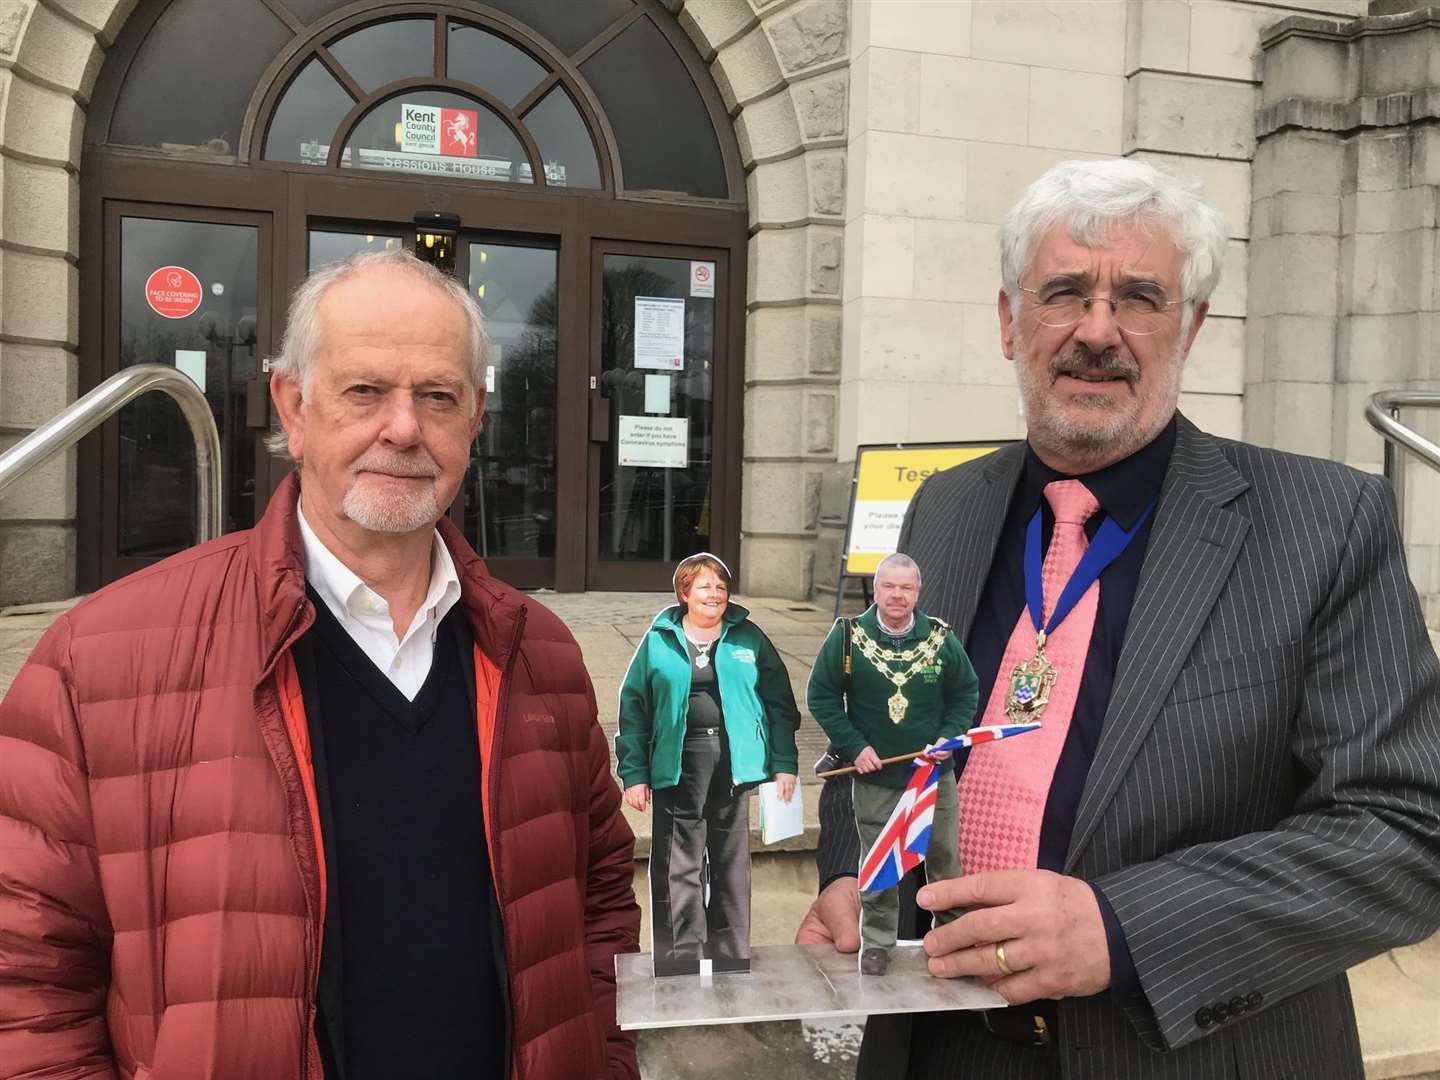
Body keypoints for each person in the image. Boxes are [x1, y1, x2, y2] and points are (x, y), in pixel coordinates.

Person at [795, 158, 1440, 1078]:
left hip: (1183, 1052)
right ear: (1011, 320)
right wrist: (852, 868)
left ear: (1193, 326)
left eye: (1140, 296)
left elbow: (1410, 829)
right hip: (935, 1044)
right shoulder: (943, 510)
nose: (1098, 332)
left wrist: (1123, 930)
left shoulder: (1323, 525)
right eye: (1064, 293)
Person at [0, 248, 640, 1079]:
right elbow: (25, 984)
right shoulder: (102, 661)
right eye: (365, 391)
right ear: (293, 408)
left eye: (437, 396)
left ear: (475, 420)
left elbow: (599, 906)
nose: (403, 428)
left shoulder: (541, 656)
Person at [616, 553, 801, 976]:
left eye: (720, 586)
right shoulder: (658, 639)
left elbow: (779, 704)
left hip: (735, 764)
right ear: (684, 593)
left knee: (730, 861)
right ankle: (679, 958)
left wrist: (784, 764)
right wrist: (635, 774)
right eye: (704, 586)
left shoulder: (749, 637)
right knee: (677, 863)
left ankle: (731, 954)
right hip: (677, 763)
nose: (714, 594)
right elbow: (634, 709)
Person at [806, 553, 978, 975]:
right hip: (876, 778)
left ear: (917, 592)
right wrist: (854, 746)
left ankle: (951, 941)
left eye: (906, 588)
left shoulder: (940, 638)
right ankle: (878, 943)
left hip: (933, 778)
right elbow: (822, 696)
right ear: (877, 589)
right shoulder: (847, 638)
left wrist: (947, 738)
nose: (897, 595)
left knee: (944, 863)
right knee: (881, 864)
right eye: (889, 586)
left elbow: (966, 694)